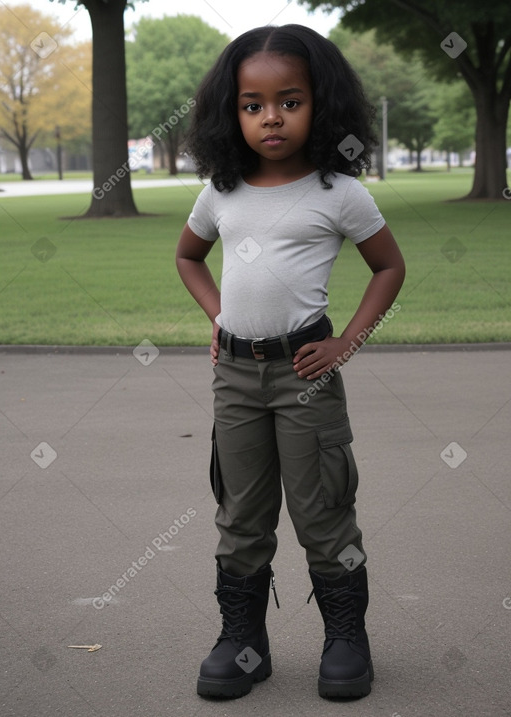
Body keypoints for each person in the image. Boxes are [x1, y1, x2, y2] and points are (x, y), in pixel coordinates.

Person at [175, 23, 405, 701]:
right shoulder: (222, 190)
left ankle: (345, 638)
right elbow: (188, 257)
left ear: (321, 103)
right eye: (252, 104)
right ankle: (242, 641)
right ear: (232, 111)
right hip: (236, 379)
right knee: (240, 513)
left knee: (323, 510)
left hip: (307, 377)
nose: (271, 116)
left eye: (290, 100)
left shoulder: (340, 192)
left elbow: (389, 267)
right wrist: (219, 316)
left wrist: (347, 342)